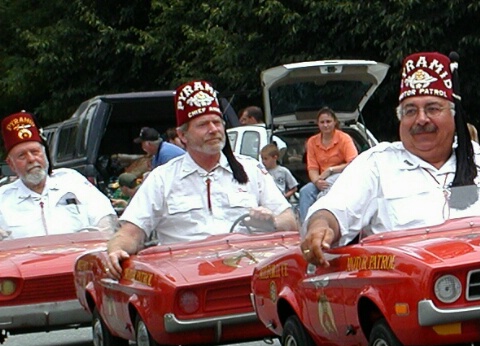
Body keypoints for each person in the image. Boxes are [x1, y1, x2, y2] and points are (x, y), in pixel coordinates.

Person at [300, 52, 480, 267]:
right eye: (411, 111)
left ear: (453, 116)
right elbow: (335, 209)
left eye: (433, 109)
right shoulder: (377, 164)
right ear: (401, 119)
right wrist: (321, 226)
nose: (421, 119)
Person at [102, 80, 297, 277]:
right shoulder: (161, 179)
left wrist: (271, 223)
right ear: (182, 135)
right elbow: (130, 233)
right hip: (186, 284)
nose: (213, 129)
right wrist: (116, 250)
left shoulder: (251, 169)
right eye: (203, 124)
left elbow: (290, 222)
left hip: (251, 276)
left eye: (217, 122)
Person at [0, 111, 118, 239]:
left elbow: (106, 219)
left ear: (45, 154)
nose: (31, 159)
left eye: (35, 152)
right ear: (11, 164)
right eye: (21, 156)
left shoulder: (73, 181)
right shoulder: (3, 199)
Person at [296, 107, 357, 221]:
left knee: (326, 190)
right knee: (305, 191)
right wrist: (316, 181)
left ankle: (326, 223)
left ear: (335, 122)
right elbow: (312, 168)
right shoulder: (312, 141)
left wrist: (331, 170)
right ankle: (305, 227)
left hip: (343, 177)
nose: (325, 125)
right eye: (322, 122)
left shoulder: (344, 138)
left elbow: (353, 163)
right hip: (321, 179)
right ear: (318, 124)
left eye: (328, 121)